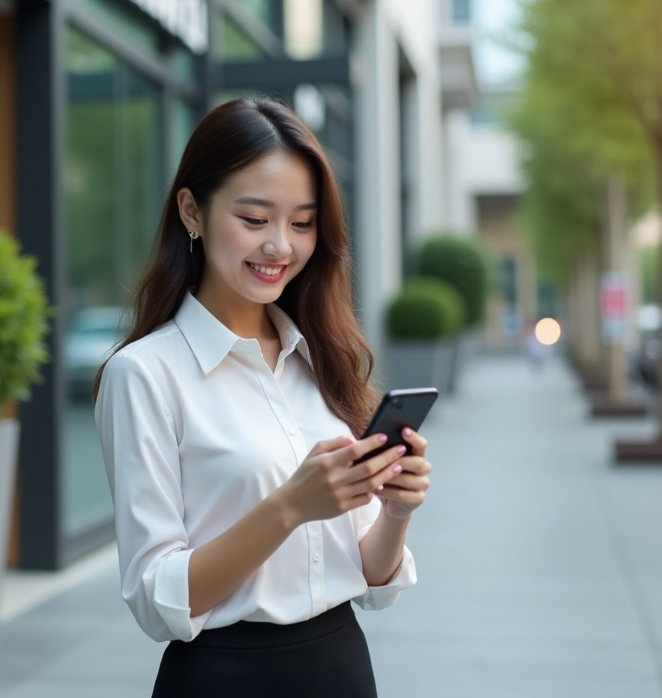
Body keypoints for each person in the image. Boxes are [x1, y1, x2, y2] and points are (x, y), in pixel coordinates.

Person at [93, 97, 432, 697]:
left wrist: (397, 512)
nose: (280, 246)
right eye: (254, 219)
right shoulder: (144, 374)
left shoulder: (321, 357)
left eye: (302, 223)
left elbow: (372, 576)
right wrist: (290, 506)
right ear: (192, 210)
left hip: (343, 668)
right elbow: (155, 597)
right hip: (225, 677)